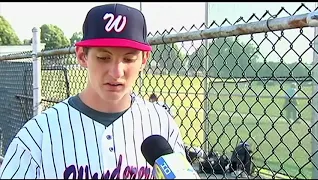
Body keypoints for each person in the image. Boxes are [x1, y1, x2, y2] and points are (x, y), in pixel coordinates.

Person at [0, 3, 186, 179]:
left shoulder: (162, 123)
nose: (116, 72)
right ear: (82, 56)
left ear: (144, 59)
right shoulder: (38, 134)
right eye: (104, 57)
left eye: (129, 59)